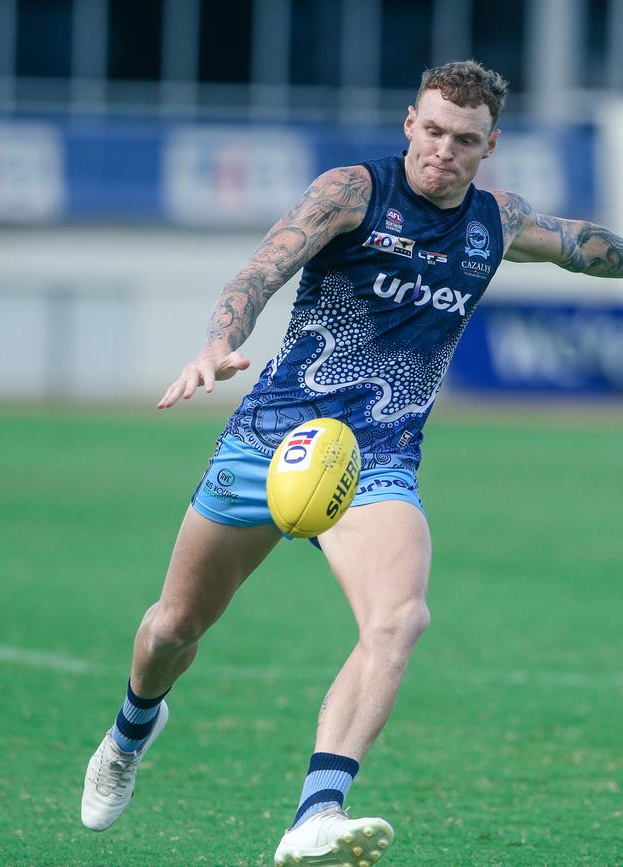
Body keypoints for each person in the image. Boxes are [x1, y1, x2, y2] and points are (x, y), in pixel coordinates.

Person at [81, 60, 623, 865]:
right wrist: (217, 343)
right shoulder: (353, 192)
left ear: (490, 145)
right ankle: (131, 730)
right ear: (410, 123)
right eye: (432, 130)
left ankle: (316, 811)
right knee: (174, 626)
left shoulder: (495, 222)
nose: (444, 149)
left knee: (399, 617)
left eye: (464, 139)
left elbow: (586, 248)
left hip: (378, 459)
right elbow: (260, 271)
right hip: (270, 438)